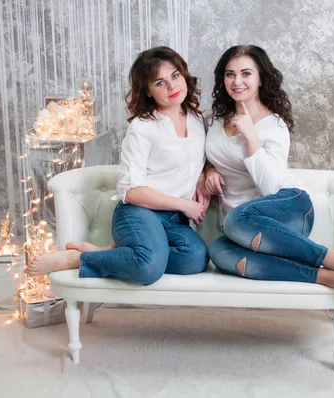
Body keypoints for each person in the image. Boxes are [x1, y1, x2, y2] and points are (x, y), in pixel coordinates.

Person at [27, 46, 211, 284]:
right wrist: (184, 204)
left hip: (175, 220)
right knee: (148, 268)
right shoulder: (142, 128)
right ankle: (78, 260)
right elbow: (131, 191)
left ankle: (106, 253)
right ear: (147, 91)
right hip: (139, 212)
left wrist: (206, 173)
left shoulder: (197, 119)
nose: (172, 86)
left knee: (196, 259)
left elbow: (201, 157)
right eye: (159, 82)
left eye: (175, 76)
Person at [204, 45, 334, 296]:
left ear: (260, 78)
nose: (237, 81)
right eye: (230, 74)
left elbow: (270, 187)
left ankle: (328, 257)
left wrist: (251, 136)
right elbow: (205, 154)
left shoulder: (274, 126)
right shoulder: (214, 121)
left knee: (235, 218)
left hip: (288, 207)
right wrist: (208, 170)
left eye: (246, 73)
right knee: (219, 252)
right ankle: (320, 275)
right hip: (244, 230)